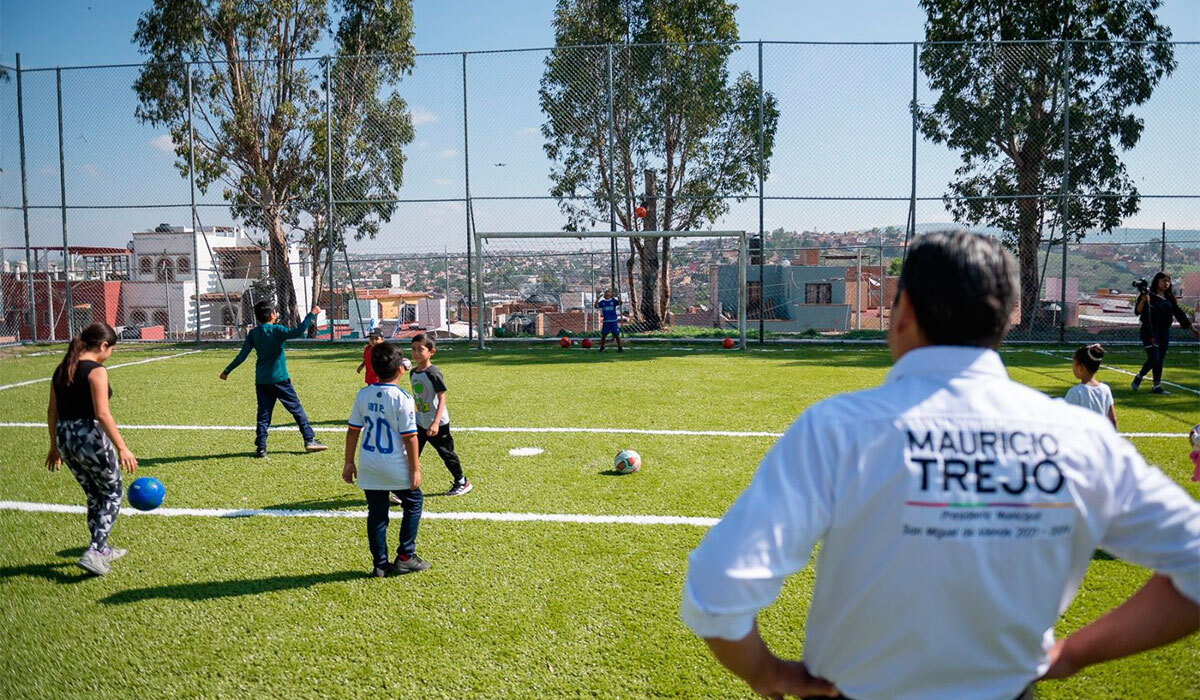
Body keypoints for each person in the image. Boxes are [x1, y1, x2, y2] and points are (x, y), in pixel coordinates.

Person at [681, 232, 1200, 700]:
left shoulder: (837, 428)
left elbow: (718, 584)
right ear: (1004, 320)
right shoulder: (1079, 436)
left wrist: (767, 673)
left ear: (902, 310)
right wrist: (1074, 654)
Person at [45, 323, 139, 576]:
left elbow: (52, 411)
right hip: (89, 436)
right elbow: (102, 413)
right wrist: (123, 448)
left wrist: (54, 447)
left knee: (94, 494)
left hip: (65, 437)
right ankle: (96, 551)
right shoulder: (96, 371)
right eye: (112, 350)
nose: (110, 354)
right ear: (103, 346)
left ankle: (103, 547)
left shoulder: (63, 368)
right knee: (112, 492)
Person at [343, 341, 430, 577]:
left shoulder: (363, 394)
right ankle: (405, 556)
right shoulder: (402, 398)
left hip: (370, 464)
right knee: (413, 503)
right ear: (400, 369)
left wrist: (348, 462)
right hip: (395, 465)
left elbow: (353, 430)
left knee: (377, 513)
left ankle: (380, 564)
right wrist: (415, 469)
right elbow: (410, 437)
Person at [220, 301, 327, 458]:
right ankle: (309, 439)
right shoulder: (278, 330)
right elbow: (299, 331)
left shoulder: (253, 334)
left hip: (262, 381)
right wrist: (312, 314)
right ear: (272, 315)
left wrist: (226, 371)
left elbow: (242, 356)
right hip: (280, 379)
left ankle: (261, 448)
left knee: (263, 414)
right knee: (296, 409)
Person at [409, 333, 472, 496]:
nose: (416, 353)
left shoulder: (433, 373)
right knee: (411, 453)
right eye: (413, 349)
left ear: (431, 352)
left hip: (437, 423)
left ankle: (462, 481)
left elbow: (441, 397)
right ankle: (405, 488)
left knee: (446, 453)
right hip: (420, 421)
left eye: (420, 350)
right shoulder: (413, 372)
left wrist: (435, 422)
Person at [1130, 271, 1199, 394]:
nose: (1166, 283)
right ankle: (1139, 377)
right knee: (1154, 358)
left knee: (1160, 359)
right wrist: (1144, 300)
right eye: (1163, 280)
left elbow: (1179, 313)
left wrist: (1192, 328)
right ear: (1157, 281)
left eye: (1168, 281)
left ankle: (1156, 386)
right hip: (1150, 331)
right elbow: (1138, 311)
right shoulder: (1147, 294)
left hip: (1164, 331)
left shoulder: (1169, 298)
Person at [1064, 343, 1117, 429]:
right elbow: (1112, 420)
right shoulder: (1105, 389)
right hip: (1100, 439)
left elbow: (1065, 421)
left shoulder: (1075, 392)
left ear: (1080, 368)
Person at [595, 288, 623, 352]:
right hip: (606, 321)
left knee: (616, 334)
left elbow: (620, 303)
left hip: (613, 321)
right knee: (604, 335)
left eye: (609, 292)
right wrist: (597, 299)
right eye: (606, 293)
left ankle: (620, 347)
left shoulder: (613, 301)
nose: (607, 293)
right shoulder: (602, 302)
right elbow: (596, 306)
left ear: (611, 294)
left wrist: (618, 296)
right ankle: (602, 347)